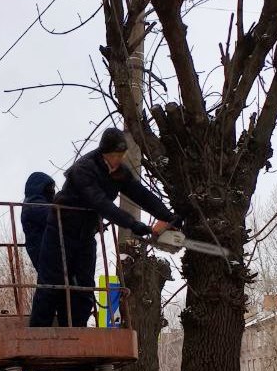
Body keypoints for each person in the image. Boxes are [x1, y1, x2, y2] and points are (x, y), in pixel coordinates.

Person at [29, 127, 178, 328]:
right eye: (114, 155)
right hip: (60, 232)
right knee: (51, 285)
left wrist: (167, 216)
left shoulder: (119, 173)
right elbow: (100, 203)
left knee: (84, 288)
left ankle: (75, 333)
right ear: (104, 152)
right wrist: (134, 224)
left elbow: (141, 195)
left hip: (86, 236)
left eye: (121, 155)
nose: (118, 160)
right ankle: (38, 334)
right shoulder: (84, 169)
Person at [21, 171, 56, 272]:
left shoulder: (36, 204)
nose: (53, 191)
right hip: (43, 251)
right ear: (40, 187)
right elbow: (56, 218)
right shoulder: (33, 205)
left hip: (48, 251)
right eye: (50, 188)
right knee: (53, 282)